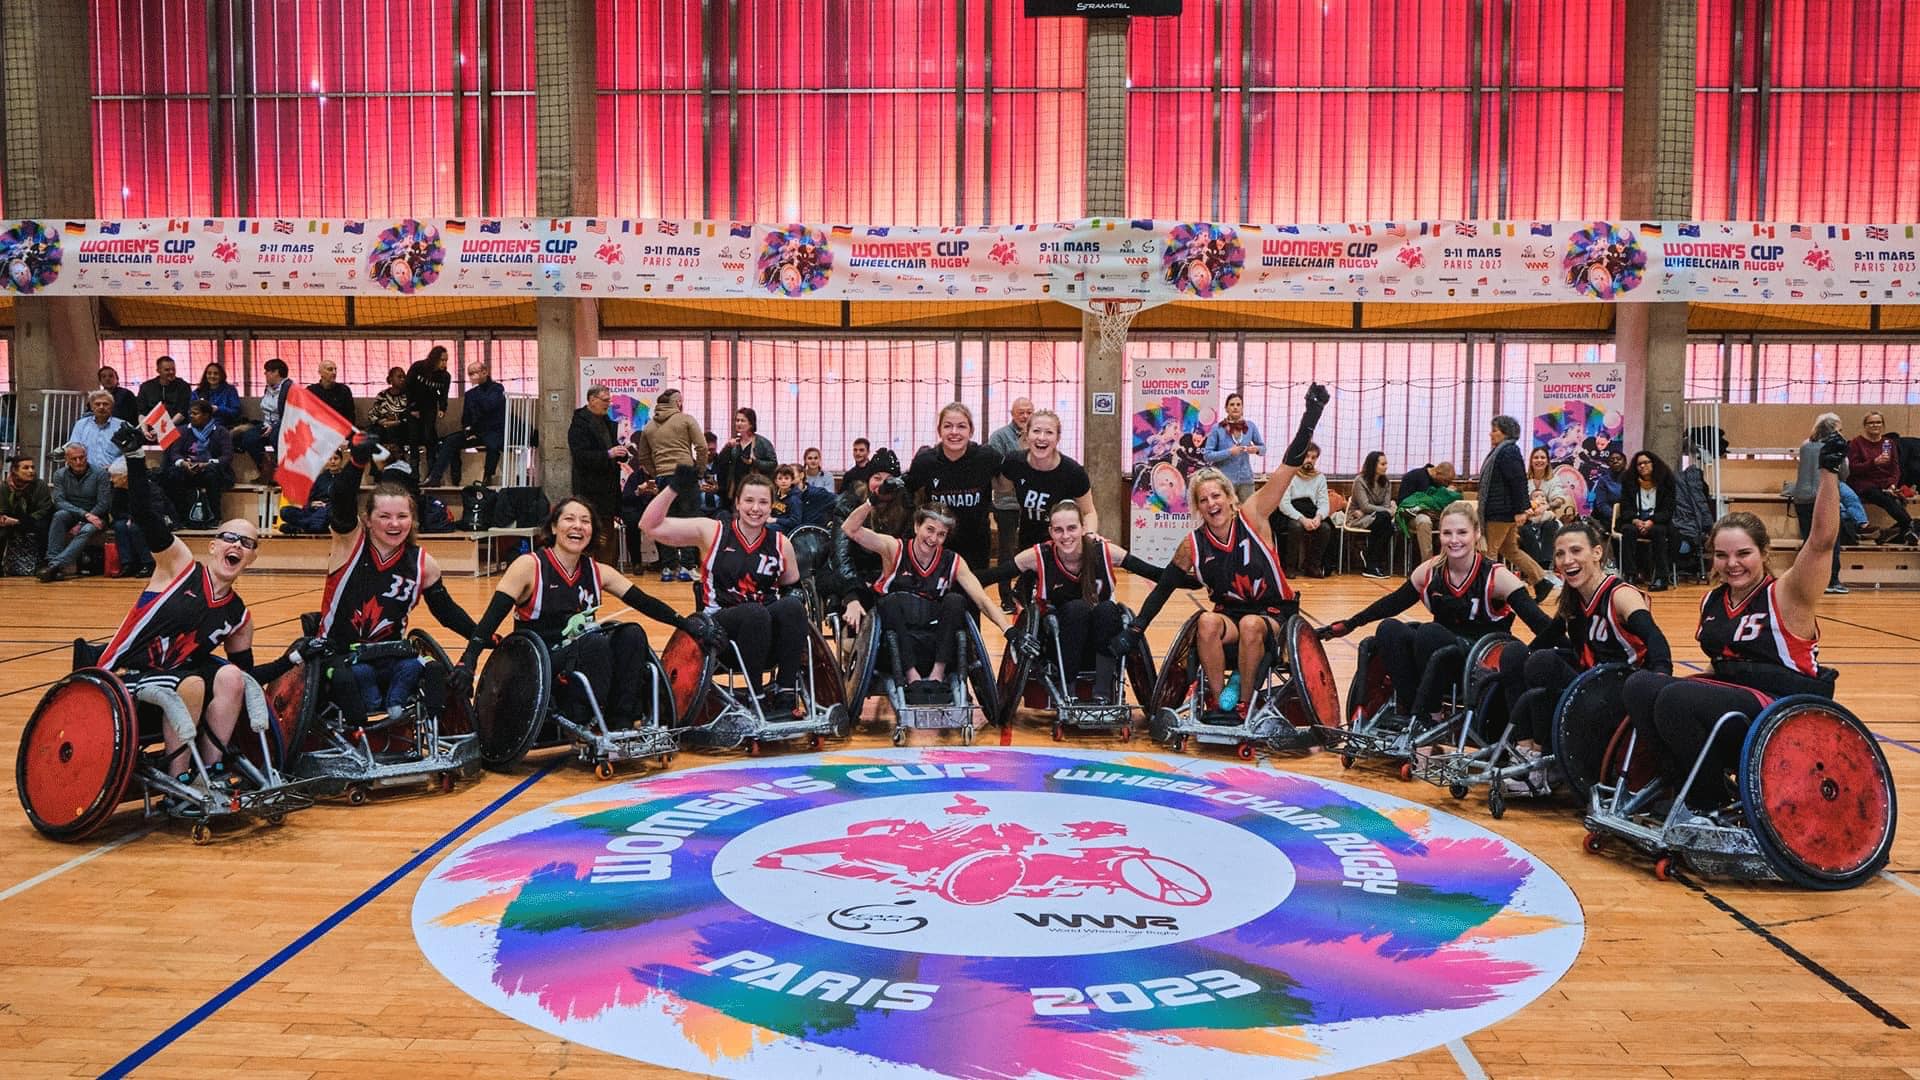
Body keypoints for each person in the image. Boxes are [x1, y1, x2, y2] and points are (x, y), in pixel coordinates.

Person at [1621, 432, 1847, 815]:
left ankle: (1708, 800)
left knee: (1676, 698)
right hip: (1732, 704)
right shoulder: (1713, 600)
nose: (1733, 564)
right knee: (1643, 686)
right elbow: (1723, 665)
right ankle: (1679, 780)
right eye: (1722, 555)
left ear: (1764, 553)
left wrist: (1827, 473)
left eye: (1744, 553)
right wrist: (1672, 683)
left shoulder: (1788, 594)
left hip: (1783, 712)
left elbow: (1822, 540)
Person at [1121, 384, 1328, 719]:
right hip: (1229, 615)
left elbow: (1287, 468)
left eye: (1216, 496)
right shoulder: (1192, 545)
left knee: (1250, 624)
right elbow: (1163, 589)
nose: (1211, 503)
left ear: (1230, 498)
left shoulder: (1254, 515)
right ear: (1197, 507)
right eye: (1203, 500)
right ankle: (1219, 704)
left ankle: (1243, 703)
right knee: (1206, 622)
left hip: (1274, 614)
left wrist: (1311, 417)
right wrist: (1136, 628)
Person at [98, 422, 265, 793]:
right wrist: (136, 457)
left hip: (174, 680)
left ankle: (213, 768)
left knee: (232, 678)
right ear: (213, 545)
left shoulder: (239, 616)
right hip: (124, 674)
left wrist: (295, 662)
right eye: (228, 537)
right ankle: (180, 780)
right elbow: (147, 515)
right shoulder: (179, 565)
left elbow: (248, 676)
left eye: (246, 543)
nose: (236, 545)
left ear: (252, 558)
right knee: (189, 683)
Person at [461, 496, 719, 732]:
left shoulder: (597, 571)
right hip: (540, 662)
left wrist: (685, 624)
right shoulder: (529, 566)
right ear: (553, 527)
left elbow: (644, 602)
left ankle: (622, 722)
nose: (578, 526)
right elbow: (490, 619)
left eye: (585, 521)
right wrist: (468, 661)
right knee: (593, 643)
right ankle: (583, 716)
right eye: (569, 519)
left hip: (585, 655)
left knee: (632, 633)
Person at [1319, 502, 1554, 724]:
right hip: (1436, 650)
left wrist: (1555, 656)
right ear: (1439, 535)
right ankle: (1412, 708)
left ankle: (1430, 713)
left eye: (1462, 533)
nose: (1454, 540)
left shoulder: (1497, 576)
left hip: (1478, 661)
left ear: (1476, 534)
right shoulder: (1431, 571)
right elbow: (1393, 603)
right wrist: (1351, 623)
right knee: (1389, 628)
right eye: (1447, 533)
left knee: (1430, 633)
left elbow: (1540, 623)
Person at [309, 436, 481, 721]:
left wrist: (483, 637)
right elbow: (340, 501)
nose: (394, 524)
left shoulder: (424, 564)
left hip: (390, 655)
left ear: (412, 520)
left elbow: (448, 614)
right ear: (368, 519)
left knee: (434, 670)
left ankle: (433, 740)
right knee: (349, 680)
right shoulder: (349, 544)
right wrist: (356, 462)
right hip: (338, 654)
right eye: (384, 516)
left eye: (402, 516)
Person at [1493, 521, 1672, 794]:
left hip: (1619, 688)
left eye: (1576, 551)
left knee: (1543, 662)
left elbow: (1656, 640)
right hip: (1588, 682)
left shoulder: (1620, 594)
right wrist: (1515, 663)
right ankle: (1524, 747)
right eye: (1560, 554)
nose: (1567, 560)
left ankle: (1543, 762)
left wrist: (1660, 682)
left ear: (1597, 553)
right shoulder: (1573, 597)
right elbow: (1549, 636)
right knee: (1517, 654)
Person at [640, 470, 812, 711]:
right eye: (749, 500)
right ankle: (756, 695)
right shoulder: (712, 531)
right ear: (737, 502)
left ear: (772, 505)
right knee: (755, 613)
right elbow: (649, 526)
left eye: (763, 502)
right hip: (721, 630)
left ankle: (785, 690)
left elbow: (791, 584)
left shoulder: (781, 543)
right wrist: (674, 488)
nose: (756, 508)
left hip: (766, 632)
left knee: (792, 606)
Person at [982, 500, 1163, 704]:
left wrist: (1198, 577)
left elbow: (1156, 574)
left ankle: (1102, 694)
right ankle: (1067, 691)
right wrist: (954, 570)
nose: (1066, 536)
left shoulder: (1103, 551)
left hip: (1099, 644)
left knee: (1107, 609)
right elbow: (992, 575)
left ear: (1084, 528)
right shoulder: (1039, 555)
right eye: (1058, 530)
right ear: (1050, 532)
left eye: (1072, 528)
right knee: (1077, 609)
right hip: (1055, 646)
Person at [842, 497, 1011, 705]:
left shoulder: (953, 561)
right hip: (893, 641)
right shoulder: (894, 548)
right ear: (916, 526)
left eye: (941, 534)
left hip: (933, 644)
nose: (933, 538)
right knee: (890, 602)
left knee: (956, 601)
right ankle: (911, 676)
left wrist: (1008, 630)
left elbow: (983, 600)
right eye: (929, 530)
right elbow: (850, 529)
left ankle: (937, 675)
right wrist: (872, 501)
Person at [903, 402, 1003, 573]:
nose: (954, 432)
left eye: (961, 426)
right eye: (948, 426)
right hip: (936, 544)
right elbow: (906, 494)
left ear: (971, 431)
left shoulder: (987, 457)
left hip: (975, 545)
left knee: (971, 596)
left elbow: (1011, 476)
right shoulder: (925, 462)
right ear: (939, 431)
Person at [822, 448, 907, 635]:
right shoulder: (849, 504)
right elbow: (841, 555)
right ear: (868, 480)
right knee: (854, 624)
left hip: (890, 580)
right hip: (853, 576)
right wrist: (852, 596)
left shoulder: (907, 506)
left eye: (888, 479)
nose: (883, 484)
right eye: (877, 477)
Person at [633, 387, 707, 581]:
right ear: (678, 402)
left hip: (663, 478)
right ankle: (687, 567)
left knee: (665, 522)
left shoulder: (648, 426)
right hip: (685, 474)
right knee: (690, 520)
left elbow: (643, 457)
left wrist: (658, 472)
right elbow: (702, 447)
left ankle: (668, 568)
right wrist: (698, 470)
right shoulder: (686, 419)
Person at [998, 409, 1095, 551]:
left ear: (1057, 438)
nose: (1041, 437)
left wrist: (1090, 535)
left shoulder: (1073, 472)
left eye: (1049, 432)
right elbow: (1001, 487)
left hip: (1064, 547)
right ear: (1027, 434)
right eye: (1036, 431)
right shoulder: (1014, 462)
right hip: (1029, 545)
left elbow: (1089, 512)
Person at [1478, 414, 1551, 599]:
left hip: (1500, 512)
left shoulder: (1507, 451)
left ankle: (1488, 592)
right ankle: (1541, 581)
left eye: (1494, 430)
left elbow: (1517, 481)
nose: (1490, 434)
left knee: (1489, 552)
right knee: (1510, 550)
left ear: (1505, 433)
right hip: (1503, 510)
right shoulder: (1502, 451)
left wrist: (1520, 510)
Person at [569, 384, 628, 562]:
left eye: (609, 400)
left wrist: (621, 454)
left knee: (607, 533)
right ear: (592, 400)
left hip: (609, 489)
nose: (608, 404)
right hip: (589, 489)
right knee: (587, 531)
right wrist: (608, 454)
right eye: (605, 400)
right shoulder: (579, 425)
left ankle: (606, 572)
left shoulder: (608, 423)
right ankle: (586, 570)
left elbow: (612, 450)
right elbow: (580, 456)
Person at [426, 359, 504, 487]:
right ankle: (436, 477)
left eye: (475, 373)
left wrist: (478, 391)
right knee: (450, 441)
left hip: (493, 430)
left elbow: (489, 406)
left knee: (493, 444)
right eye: (470, 373)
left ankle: (487, 477)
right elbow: (466, 417)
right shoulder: (470, 394)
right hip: (476, 432)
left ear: (485, 372)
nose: (472, 376)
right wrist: (468, 430)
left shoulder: (497, 388)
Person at [39, 443, 111, 582]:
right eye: (74, 459)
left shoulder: (100, 474)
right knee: (59, 515)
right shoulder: (59, 474)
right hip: (75, 514)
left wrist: (85, 519)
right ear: (67, 459)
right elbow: (59, 502)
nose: (78, 462)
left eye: (81, 457)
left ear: (86, 456)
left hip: (97, 516)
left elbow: (103, 503)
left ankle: (54, 565)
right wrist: (84, 515)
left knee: (87, 529)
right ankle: (53, 562)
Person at [987, 397, 1033, 610]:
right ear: (1012, 413)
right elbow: (997, 472)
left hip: (1031, 504)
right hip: (1006, 504)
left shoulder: (1037, 435)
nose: (1025, 416)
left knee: (1031, 549)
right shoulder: (999, 437)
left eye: (1029, 412)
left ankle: (1023, 593)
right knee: (1007, 552)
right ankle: (1005, 598)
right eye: (1021, 412)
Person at [1847, 411, 1916, 544]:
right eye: (1871, 422)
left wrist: (1892, 485)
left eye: (1878, 422)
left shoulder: (1888, 443)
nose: (1875, 425)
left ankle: (1899, 533)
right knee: (1885, 498)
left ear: (1883, 425)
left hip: (1885, 483)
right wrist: (1874, 463)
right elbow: (1853, 468)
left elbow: (1895, 468)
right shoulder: (1857, 443)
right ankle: (1910, 525)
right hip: (1864, 483)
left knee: (1896, 498)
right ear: (1865, 426)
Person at [160, 400, 235, 523]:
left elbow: (227, 456)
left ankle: (214, 517)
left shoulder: (221, 432)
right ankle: (181, 517)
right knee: (174, 474)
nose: (191, 416)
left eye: (195, 413)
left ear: (206, 415)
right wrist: (183, 463)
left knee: (212, 473)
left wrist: (207, 464)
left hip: (211, 469)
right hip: (187, 469)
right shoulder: (182, 430)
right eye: (190, 413)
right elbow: (175, 453)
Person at [1614, 450, 1677, 591]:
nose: (1642, 466)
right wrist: (1636, 520)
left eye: (1646, 463)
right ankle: (1630, 575)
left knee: (1659, 532)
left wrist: (1651, 521)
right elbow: (1625, 508)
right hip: (1635, 521)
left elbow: (1668, 510)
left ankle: (1661, 577)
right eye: (1639, 464)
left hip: (1657, 522)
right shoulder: (1629, 481)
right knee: (1627, 531)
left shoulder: (1666, 481)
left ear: (1653, 464)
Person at [1271, 442, 1331, 578]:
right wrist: (1302, 519)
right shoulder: (1289, 474)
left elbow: (1324, 503)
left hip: (1311, 511)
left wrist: (1318, 518)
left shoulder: (1320, 477)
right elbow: (1284, 504)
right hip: (1290, 512)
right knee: (1296, 527)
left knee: (1325, 528)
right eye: (1307, 456)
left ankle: (1312, 566)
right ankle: (1289, 567)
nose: (1310, 460)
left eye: (1313, 457)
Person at [1202, 392, 1265, 502]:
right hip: (1224, 481)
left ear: (1242, 408)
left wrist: (1256, 449)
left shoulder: (1250, 426)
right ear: (1226, 408)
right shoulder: (1217, 428)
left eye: (1238, 404)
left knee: (1247, 513)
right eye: (1232, 405)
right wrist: (1229, 452)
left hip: (1246, 480)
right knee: (1226, 514)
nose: (1235, 407)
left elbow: (1263, 449)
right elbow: (1207, 455)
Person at [235, 358, 291, 481]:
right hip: (267, 423)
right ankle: (266, 471)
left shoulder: (290, 388)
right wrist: (268, 425)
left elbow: (291, 413)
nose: (265, 374)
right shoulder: (268, 388)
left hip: (285, 423)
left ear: (276, 372)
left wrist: (274, 426)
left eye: (267, 371)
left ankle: (282, 473)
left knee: (274, 437)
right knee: (249, 438)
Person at [714, 407, 777, 511]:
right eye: (737, 420)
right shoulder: (734, 442)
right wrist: (727, 447)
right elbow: (720, 463)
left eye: (742, 420)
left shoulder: (762, 442)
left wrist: (754, 462)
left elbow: (773, 464)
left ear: (751, 424)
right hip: (735, 488)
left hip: (755, 487)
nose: (738, 423)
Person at [403, 345, 452, 475]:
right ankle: (414, 473)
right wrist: (412, 407)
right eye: (442, 360)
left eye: (446, 360)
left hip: (429, 407)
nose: (444, 363)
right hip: (413, 406)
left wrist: (442, 408)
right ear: (434, 358)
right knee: (413, 438)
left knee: (429, 436)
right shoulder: (418, 367)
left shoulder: (445, 376)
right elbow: (407, 387)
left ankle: (432, 472)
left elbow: (444, 394)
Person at [0, 455, 52, 576]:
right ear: (14, 470)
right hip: (11, 520)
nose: (31, 471)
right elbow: (3, 508)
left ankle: (44, 565)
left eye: (33, 467)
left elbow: (44, 510)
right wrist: (3, 518)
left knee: (44, 527)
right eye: (26, 468)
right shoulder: (4, 487)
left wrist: (19, 521)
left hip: (33, 520)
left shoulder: (40, 485)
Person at [1397, 462, 1460, 561]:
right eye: (1446, 481)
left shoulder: (1441, 485)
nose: (1446, 485)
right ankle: (1428, 563)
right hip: (1414, 516)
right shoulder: (1413, 476)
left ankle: (1448, 561)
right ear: (1437, 473)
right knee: (1424, 521)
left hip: (1437, 515)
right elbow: (1401, 502)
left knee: (1452, 522)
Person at [1348, 449, 1395, 578]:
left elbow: (1383, 506)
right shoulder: (1360, 480)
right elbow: (1365, 505)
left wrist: (1372, 510)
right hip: (1356, 518)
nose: (1386, 467)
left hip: (1374, 517)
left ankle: (1370, 561)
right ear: (1373, 465)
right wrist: (1387, 510)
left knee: (1385, 522)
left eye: (1386, 464)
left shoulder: (1386, 482)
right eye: (1383, 464)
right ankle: (1373, 564)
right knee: (1387, 524)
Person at [108, 461, 154, 578]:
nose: (112, 480)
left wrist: (134, 518)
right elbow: (115, 511)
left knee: (135, 527)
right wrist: (129, 518)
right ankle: (127, 563)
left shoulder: (145, 486)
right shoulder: (118, 490)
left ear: (124, 477)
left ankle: (148, 563)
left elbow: (153, 509)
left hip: (151, 519)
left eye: (114, 476)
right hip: (128, 518)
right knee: (119, 526)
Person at [67, 390, 130, 471]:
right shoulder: (81, 425)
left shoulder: (122, 426)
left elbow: (129, 453)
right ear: (92, 407)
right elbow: (74, 449)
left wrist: (114, 467)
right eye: (97, 404)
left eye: (105, 404)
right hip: (87, 473)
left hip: (115, 474)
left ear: (112, 406)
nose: (101, 407)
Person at [771, 464, 832, 532]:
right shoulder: (775, 495)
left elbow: (795, 521)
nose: (783, 481)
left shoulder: (795, 499)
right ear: (775, 481)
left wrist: (776, 520)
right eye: (780, 478)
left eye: (786, 478)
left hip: (787, 529)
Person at [135, 355, 192, 427]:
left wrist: (165, 429)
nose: (171, 372)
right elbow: (142, 413)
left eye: (173, 369)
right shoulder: (146, 387)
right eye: (167, 370)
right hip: (151, 426)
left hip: (176, 426)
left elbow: (182, 413)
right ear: (158, 371)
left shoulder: (183, 386)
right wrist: (144, 430)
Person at [368, 367, 411, 452]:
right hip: (384, 426)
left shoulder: (408, 396)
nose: (402, 379)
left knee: (396, 430)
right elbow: (372, 414)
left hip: (401, 427)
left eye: (404, 377)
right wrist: (381, 422)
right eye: (399, 377)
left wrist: (396, 422)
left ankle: (396, 454)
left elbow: (410, 415)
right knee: (373, 430)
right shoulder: (382, 395)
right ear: (391, 379)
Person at [192, 362, 242, 429]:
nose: (212, 376)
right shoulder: (198, 392)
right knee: (179, 433)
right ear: (205, 375)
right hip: (200, 424)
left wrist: (218, 409)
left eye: (216, 373)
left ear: (221, 376)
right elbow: (191, 409)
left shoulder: (230, 390)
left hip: (222, 425)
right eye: (209, 373)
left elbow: (236, 412)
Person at [1588, 449, 1627, 534]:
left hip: (1628, 517)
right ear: (1608, 464)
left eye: (1618, 459)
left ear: (1625, 462)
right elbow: (1601, 504)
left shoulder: (1632, 479)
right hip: (1608, 518)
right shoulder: (1603, 481)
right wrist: (1615, 516)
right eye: (1612, 460)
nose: (1615, 461)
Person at [308, 360, 356, 425]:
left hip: (339, 428)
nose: (334, 372)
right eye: (330, 369)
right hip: (317, 428)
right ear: (320, 373)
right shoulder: (311, 391)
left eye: (335, 369)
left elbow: (350, 415)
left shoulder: (344, 390)